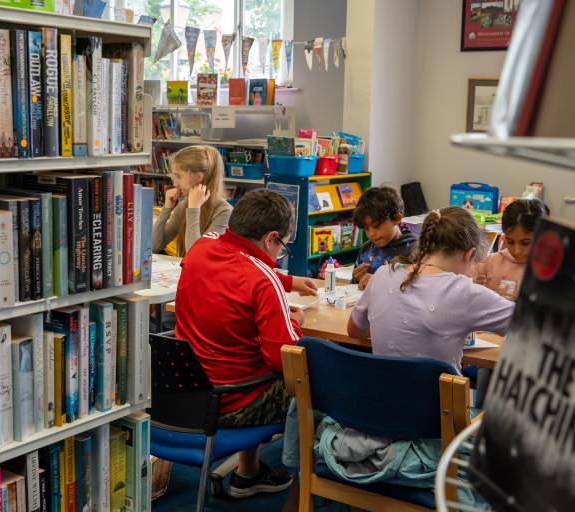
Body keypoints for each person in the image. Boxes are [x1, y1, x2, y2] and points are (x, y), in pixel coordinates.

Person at [174, 189, 317, 498]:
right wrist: (294, 322)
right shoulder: (261, 280)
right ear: (271, 238)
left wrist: (288, 281)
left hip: (186, 393)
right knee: (315, 384)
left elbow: (233, 268)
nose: (279, 254)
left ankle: (250, 473)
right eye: (283, 246)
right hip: (232, 402)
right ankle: (317, 488)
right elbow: (282, 359)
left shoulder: (200, 248)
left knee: (244, 356)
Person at [347, 206, 515, 372]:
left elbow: (354, 329)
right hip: (437, 398)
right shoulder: (464, 291)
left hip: (380, 395)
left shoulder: (382, 274)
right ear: (468, 254)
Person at [152, 145, 233, 257]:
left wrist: (194, 209)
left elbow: (195, 257)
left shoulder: (225, 212)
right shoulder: (184, 205)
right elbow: (154, 246)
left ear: (199, 177)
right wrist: (167, 208)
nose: (175, 184)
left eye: (179, 176)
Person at [473, 198, 550, 300]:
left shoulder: (549, 271)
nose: (516, 250)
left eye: (525, 243)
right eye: (510, 242)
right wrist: (477, 287)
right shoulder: (489, 264)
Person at [351, 186, 418, 290]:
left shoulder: (414, 249)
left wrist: (380, 283)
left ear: (396, 218)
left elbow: (417, 291)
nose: (371, 234)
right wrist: (355, 279)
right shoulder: (366, 249)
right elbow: (355, 289)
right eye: (366, 228)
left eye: (376, 226)